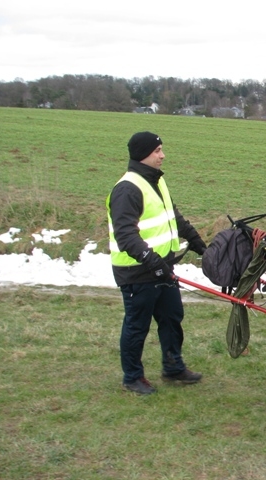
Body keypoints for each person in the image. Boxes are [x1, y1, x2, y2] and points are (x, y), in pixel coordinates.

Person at [107, 131, 208, 395]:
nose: (162, 155)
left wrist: (199, 244)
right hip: (137, 271)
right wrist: (152, 262)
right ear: (143, 154)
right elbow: (126, 235)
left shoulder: (156, 182)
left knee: (172, 317)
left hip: (162, 267)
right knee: (137, 325)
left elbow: (174, 218)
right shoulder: (127, 189)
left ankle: (173, 367)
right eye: (157, 151)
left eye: (161, 150)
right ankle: (132, 377)